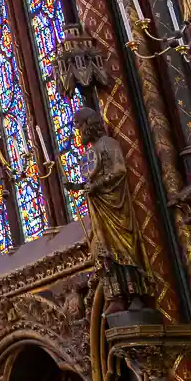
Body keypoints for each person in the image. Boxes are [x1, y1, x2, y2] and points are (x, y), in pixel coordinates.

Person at [64, 106, 148, 314]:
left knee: (122, 249)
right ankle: (115, 295)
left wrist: (96, 186)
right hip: (99, 209)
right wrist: (77, 187)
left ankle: (134, 293)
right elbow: (91, 179)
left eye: (79, 126)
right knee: (103, 252)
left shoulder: (108, 144)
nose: (78, 132)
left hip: (115, 207)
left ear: (88, 125)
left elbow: (119, 170)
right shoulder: (91, 151)